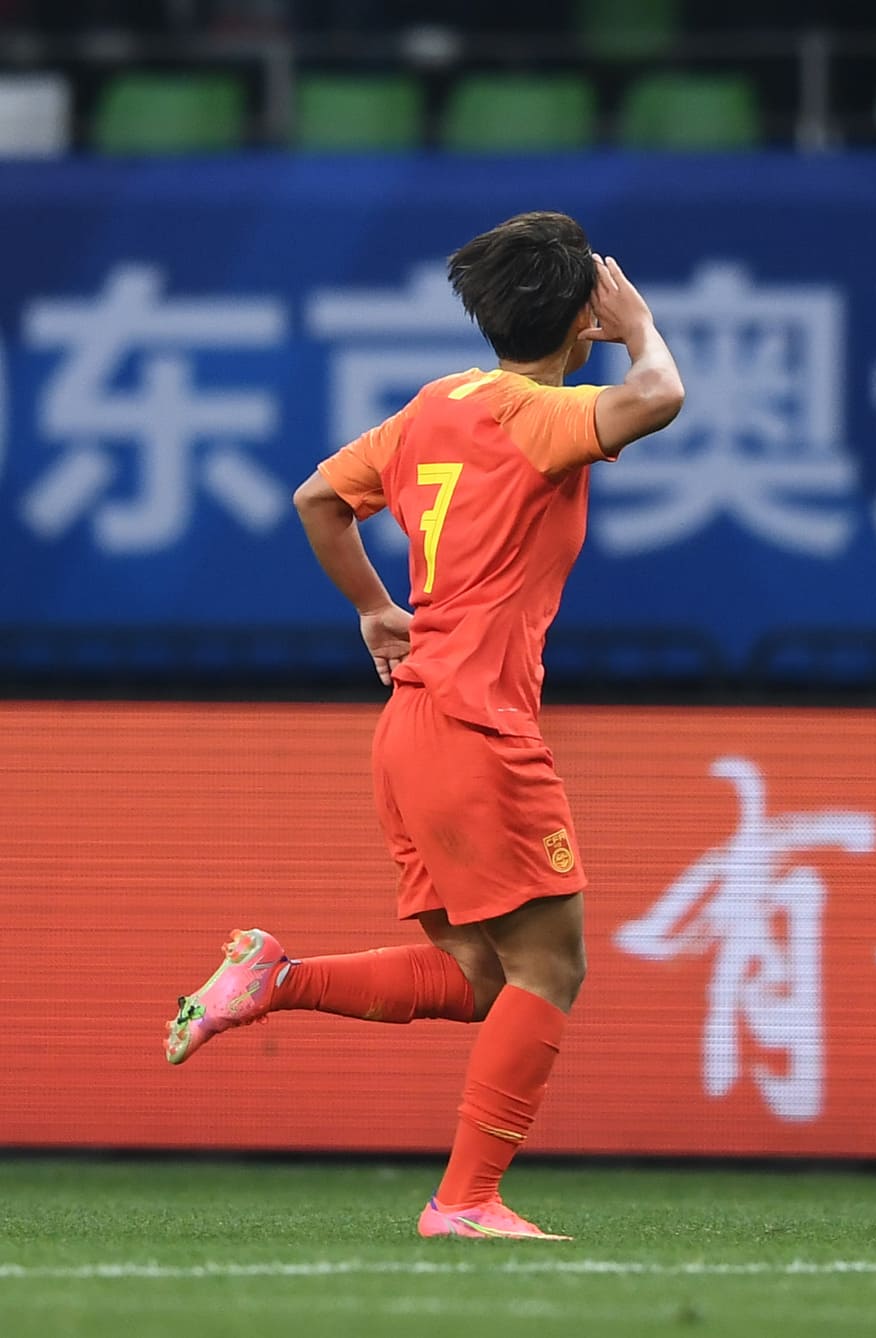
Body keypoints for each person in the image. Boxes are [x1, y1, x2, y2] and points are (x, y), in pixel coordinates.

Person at [162, 212, 685, 1242]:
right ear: (580, 315)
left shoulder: (436, 405)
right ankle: (466, 1201)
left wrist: (373, 606)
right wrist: (640, 327)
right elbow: (660, 395)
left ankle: (275, 977)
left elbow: (317, 498)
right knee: (550, 969)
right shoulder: (538, 414)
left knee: (482, 977)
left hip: (410, 726)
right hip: (479, 726)